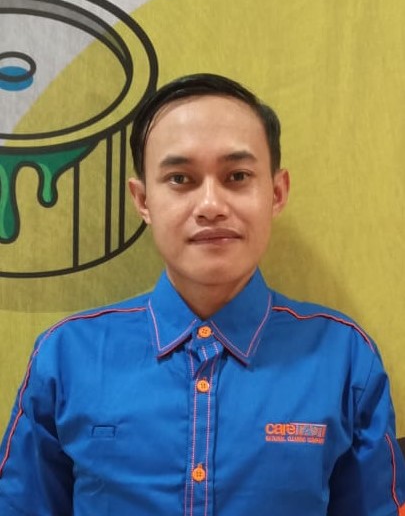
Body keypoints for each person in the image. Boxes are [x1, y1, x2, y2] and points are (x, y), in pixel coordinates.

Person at [0, 73, 404, 516]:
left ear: (276, 192)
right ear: (143, 200)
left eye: (237, 176)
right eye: (180, 178)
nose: (211, 205)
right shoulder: (65, 356)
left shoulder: (344, 358)